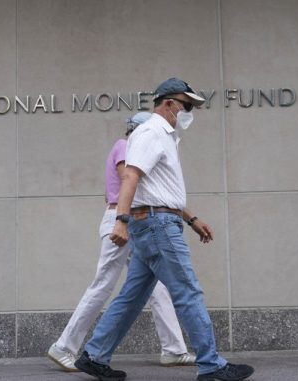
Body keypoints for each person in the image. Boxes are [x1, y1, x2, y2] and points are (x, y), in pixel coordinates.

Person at [74, 78, 255, 381]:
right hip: (157, 226)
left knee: (132, 297)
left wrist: (191, 219)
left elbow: (158, 188)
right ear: (169, 103)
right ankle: (212, 365)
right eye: (187, 105)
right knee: (187, 292)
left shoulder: (163, 135)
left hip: (158, 222)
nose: (190, 111)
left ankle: (94, 355)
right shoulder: (152, 132)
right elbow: (131, 176)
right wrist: (121, 220)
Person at [47, 111, 196, 372]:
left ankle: (174, 349)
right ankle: (64, 347)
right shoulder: (125, 146)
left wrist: (189, 217)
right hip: (122, 220)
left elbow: (143, 191)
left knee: (157, 287)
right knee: (103, 284)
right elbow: (134, 183)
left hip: (131, 220)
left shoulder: (133, 147)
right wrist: (123, 220)